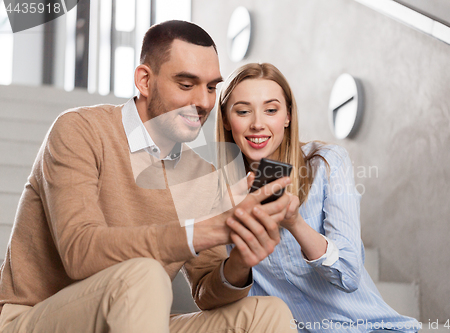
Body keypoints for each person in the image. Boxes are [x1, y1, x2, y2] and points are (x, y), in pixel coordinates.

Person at [0, 21, 297, 333]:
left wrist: (241, 258)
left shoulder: (202, 175)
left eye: (211, 87)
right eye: (186, 85)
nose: (205, 102)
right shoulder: (80, 131)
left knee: (269, 313)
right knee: (145, 274)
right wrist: (203, 231)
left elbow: (206, 293)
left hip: (134, 315)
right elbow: (79, 252)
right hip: (32, 319)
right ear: (144, 80)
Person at [216, 63, 422, 333]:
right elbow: (226, 298)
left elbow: (348, 274)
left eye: (271, 110)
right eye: (243, 111)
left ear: (287, 116)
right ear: (227, 121)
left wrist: (295, 223)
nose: (257, 123)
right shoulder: (219, 195)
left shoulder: (326, 163)